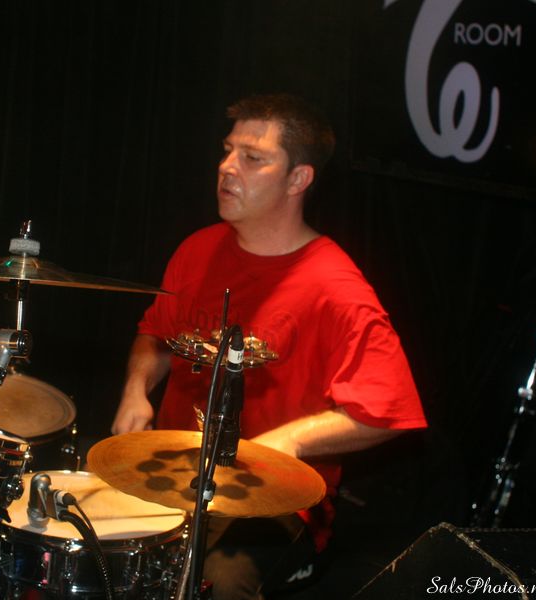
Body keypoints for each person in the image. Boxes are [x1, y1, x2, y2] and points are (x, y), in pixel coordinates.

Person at [110, 93, 427, 599]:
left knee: (218, 581)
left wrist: (291, 440)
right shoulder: (198, 248)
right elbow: (157, 335)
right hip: (177, 471)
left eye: (253, 157)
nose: (227, 167)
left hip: (273, 500)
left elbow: (388, 413)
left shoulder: (335, 288)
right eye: (227, 151)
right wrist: (135, 390)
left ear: (298, 179)